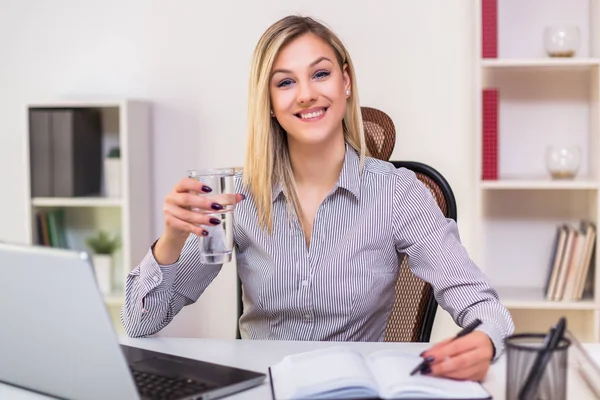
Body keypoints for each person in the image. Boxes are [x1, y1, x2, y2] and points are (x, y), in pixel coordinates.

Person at [121, 15, 514, 382]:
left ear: (345, 82)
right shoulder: (238, 197)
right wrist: (172, 237)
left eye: (320, 74)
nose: (306, 94)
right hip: (265, 387)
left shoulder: (399, 194)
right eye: (285, 82)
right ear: (270, 104)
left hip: (354, 388)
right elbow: (141, 322)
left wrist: (483, 341)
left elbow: (485, 309)